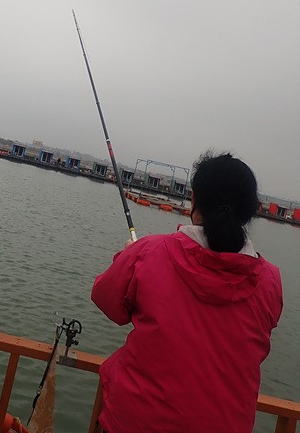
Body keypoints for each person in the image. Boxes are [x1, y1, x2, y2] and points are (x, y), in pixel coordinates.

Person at [91, 152, 283, 433]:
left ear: (194, 200)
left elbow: (107, 300)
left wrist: (129, 256)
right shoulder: (271, 280)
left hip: (135, 422)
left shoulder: (151, 252)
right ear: (249, 211)